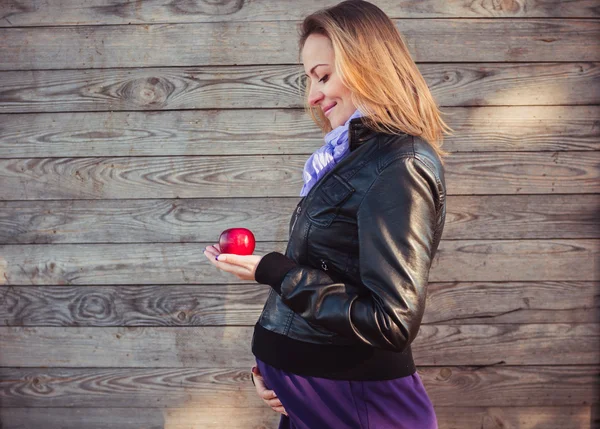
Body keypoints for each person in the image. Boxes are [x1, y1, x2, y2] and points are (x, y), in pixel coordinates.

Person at [203, 1, 451, 427]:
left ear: (368, 67)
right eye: (309, 79)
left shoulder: (399, 164)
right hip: (315, 400)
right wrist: (276, 371)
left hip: (356, 405)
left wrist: (275, 271)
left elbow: (389, 320)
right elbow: (329, 275)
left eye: (323, 76)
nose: (313, 96)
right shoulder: (351, 157)